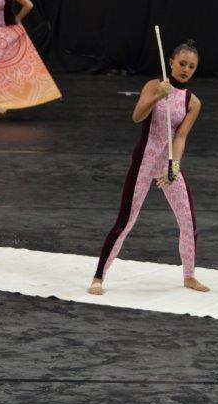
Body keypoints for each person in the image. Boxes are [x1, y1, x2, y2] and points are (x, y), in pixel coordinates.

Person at [88, 40, 208, 295]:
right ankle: (98, 277)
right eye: (182, 63)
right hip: (145, 159)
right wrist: (156, 97)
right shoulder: (155, 85)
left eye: (191, 66)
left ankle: (189, 276)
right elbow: (137, 116)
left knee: (188, 220)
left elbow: (180, 136)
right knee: (126, 221)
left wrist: (174, 166)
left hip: (167, 162)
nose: (186, 69)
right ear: (171, 62)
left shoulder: (193, 102)